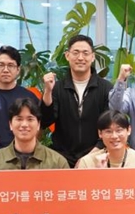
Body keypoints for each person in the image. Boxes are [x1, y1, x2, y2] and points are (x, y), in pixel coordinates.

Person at [41, 35, 113, 167]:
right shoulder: (57, 88)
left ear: (92, 57)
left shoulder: (105, 88)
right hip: (61, 158)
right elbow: (45, 121)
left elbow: (109, 125)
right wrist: (48, 92)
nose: (80, 58)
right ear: (67, 55)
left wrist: (90, 157)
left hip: (97, 156)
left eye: (85, 53)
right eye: (76, 52)